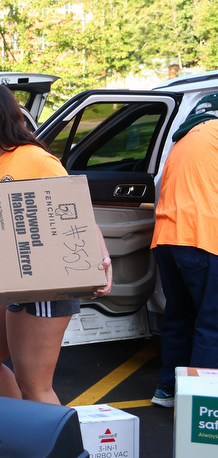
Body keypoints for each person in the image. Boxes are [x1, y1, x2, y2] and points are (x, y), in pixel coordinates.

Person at [0, 83, 112, 404]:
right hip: (9, 283)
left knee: (35, 385)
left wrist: (101, 260)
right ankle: (20, 432)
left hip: (47, 284)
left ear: (0, 115)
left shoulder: (35, 160)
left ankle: (58, 447)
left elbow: (76, 213)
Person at [148, 92, 218, 408]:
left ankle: (167, 390)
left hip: (167, 238)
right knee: (211, 325)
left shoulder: (185, 138)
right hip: (204, 238)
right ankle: (199, 408)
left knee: (180, 317)